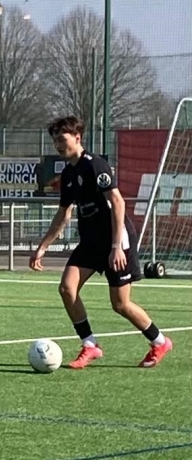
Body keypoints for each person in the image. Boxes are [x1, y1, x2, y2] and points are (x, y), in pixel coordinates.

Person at [29, 115, 172, 370]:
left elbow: (118, 202)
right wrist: (42, 247)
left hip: (116, 239)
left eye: (62, 140)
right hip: (91, 242)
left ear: (77, 137)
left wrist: (116, 247)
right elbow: (64, 214)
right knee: (67, 288)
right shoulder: (69, 174)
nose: (58, 146)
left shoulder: (95, 165)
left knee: (120, 304)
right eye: (55, 142)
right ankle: (90, 345)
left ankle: (160, 342)